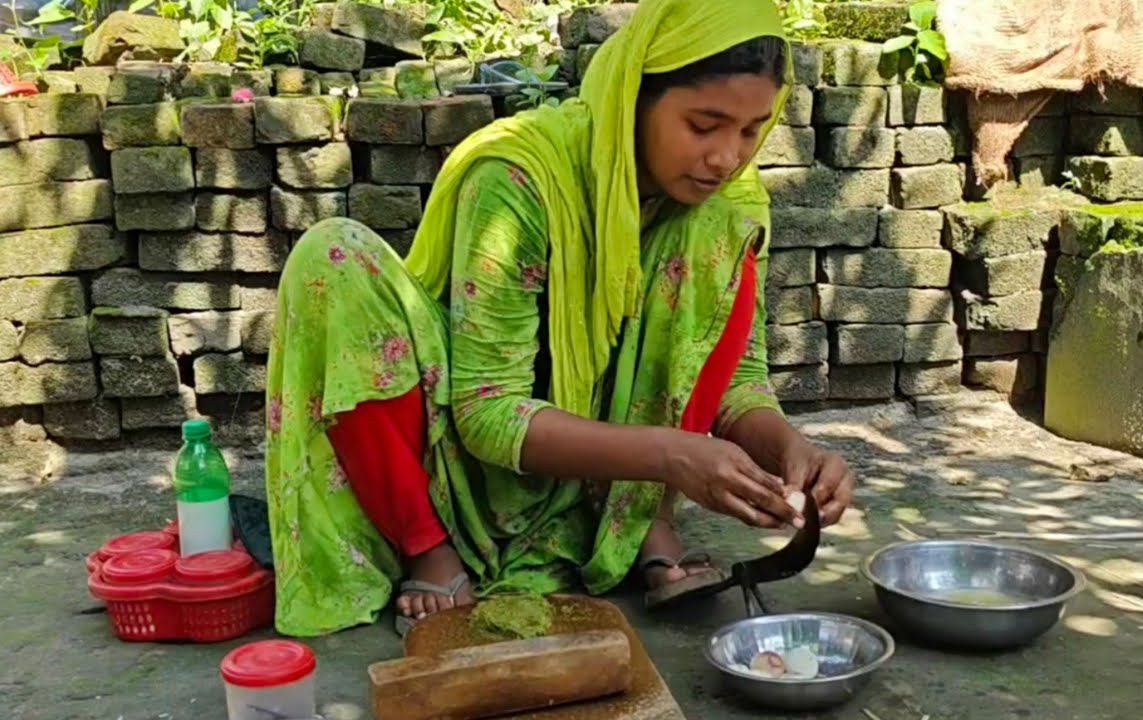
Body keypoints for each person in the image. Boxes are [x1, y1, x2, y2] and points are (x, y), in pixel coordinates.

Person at [264, 0, 856, 638]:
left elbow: (735, 375)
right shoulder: (519, 178)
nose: (725, 157)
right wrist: (671, 455)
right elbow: (487, 412)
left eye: (750, 131)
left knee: (720, 222)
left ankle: (642, 520)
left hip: (612, 472)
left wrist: (789, 449)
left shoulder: (729, 203)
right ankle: (428, 545)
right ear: (634, 96)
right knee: (332, 258)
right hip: (462, 455)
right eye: (704, 124)